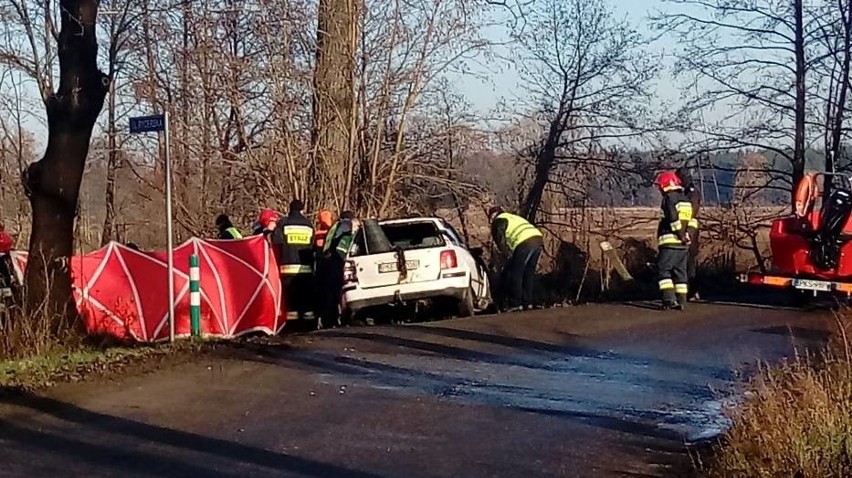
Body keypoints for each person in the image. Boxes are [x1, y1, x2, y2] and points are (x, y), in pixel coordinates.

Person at [655, 171, 697, 310]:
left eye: (660, 186)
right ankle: (682, 301)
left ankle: (668, 299)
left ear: (665, 185)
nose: (659, 189)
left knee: (663, 269)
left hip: (670, 242)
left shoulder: (669, 199)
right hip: (684, 245)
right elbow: (692, 221)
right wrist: (688, 235)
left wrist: (680, 234)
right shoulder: (685, 199)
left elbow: (673, 219)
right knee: (680, 272)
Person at [488, 207, 543, 312]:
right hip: (537, 238)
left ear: (492, 216)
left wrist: (507, 255)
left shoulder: (498, 220)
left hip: (524, 242)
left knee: (516, 273)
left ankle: (515, 303)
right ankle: (528, 302)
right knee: (528, 273)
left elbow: (500, 239)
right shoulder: (512, 217)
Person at [274, 200, 315, 322]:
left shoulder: (283, 223)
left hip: (288, 268)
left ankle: (292, 323)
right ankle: (308, 321)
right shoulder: (308, 225)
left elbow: (276, 242)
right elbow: (312, 245)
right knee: (306, 297)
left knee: (291, 298)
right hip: (305, 268)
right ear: (302, 210)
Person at [317, 211, 357, 327]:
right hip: (337, 261)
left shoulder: (334, 226)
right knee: (336, 292)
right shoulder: (346, 224)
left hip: (327, 262)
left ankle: (329, 320)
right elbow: (340, 238)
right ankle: (335, 319)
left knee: (330, 293)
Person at [676, 167, 701, 300]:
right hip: (685, 230)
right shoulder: (684, 191)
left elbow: (692, 211)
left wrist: (687, 232)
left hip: (690, 231)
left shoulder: (691, 192)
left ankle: (691, 291)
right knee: (684, 263)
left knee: (688, 263)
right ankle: (686, 291)